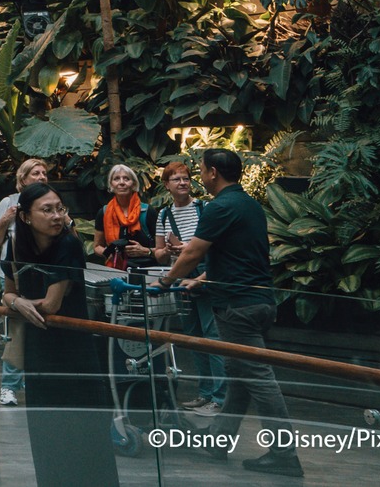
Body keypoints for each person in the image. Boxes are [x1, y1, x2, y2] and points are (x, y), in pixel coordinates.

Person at [154, 149, 302, 477]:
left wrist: (165, 282)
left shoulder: (219, 207)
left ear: (213, 173)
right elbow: (240, 256)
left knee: (259, 377)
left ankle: (284, 453)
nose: (199, 176)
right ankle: (219, 439)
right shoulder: (249, 205)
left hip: (238, 307)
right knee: (239, 375)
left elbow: (192, 252)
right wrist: (203, 280)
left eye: (201, 170)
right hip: (261, 301)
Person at [3, 183, 119, 487]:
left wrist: (18, 302)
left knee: (82, 434)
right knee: (46, 430)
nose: (57, 216)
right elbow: (8, 292)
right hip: (39, 348)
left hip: (73, 350)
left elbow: (51, 304)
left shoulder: (68, 244)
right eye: (47, 210)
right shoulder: (16, 244)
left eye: (60, 208)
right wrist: (17, 302)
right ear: (26, 216)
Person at [154, 160, 225, 413]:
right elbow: (158, 254)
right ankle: (205, 393)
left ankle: (220, 397)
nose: (183, 183)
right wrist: (168, 250)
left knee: (212, 336)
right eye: (176, 179)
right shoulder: (164, 215)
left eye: (186, 178)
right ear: (167, 184)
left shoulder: (204, 208)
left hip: (204, 277)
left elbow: (215, 246)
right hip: (180, 280)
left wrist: (188, 249)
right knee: (193, 337)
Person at [0, 157, 50, 405]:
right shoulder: (9, 202)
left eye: (44, 173)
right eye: (36, 173)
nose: (42, 177)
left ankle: (33, 381)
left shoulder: (50, 202)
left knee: (41, 327)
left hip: (44, 275)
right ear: (22, 178)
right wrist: (5, 219)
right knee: (17, 329)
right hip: (14, 277)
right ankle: (9, 385)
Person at [92, 163, 156, 271]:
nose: (121, 182)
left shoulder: (147, 211)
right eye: (116, 179)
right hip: (116, 271)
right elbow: (97, 246)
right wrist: (109, 253)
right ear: (111, 184)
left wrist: (145, 251)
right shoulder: (104, 212)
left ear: (134, 184)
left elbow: (163, 249)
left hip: (147, 270)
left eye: (126, 179)